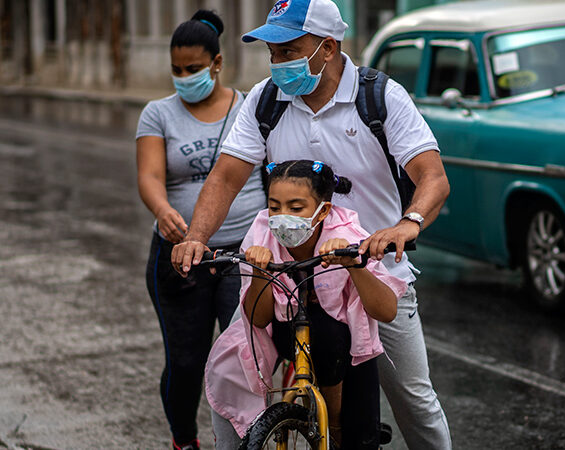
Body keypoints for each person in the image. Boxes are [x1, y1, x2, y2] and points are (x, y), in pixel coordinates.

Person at [172, 1, 452, 448]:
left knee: (414, 401)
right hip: (287, 275)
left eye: (289, 50)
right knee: (231, 372)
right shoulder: (266, 100)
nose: (279, 62)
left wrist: (407, 223)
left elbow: (432, 176)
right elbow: (226, 176)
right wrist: (195, 237)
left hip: (371, 274)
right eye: (274, 52)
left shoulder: (380, 97)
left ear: (328, 46)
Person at [206, 159, 409, 449]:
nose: (281, 216)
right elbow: (258, 319)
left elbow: (386, 311)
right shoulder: (262, 232)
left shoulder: (349, 235)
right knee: (230, 366)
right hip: (284, 332)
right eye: (274, 207)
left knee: (361, 429)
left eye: (296, 208)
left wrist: (354, 264)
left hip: (345, 349)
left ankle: (336, 421)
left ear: (323, 210)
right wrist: (261, 272)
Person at [135, 10, 264, 450]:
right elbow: (150, 176)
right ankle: (184, 440)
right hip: (179, 258)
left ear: (217, 63)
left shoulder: (249, 108)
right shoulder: (158, 114)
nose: (184, 77)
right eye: (177, 70)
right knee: (186, 361)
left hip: (243, 256)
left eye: (193, 68)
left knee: (246, 358)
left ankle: (249, 437)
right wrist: (163, 208)